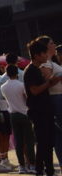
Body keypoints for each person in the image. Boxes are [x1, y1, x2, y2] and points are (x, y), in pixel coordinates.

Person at [25, 37, 61, 176]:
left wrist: (48, 81)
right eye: (44, 54)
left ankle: (46, 170)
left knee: (47, 143)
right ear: (36, 55)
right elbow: (34, 90)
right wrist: (51, 82)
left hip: (44, 110)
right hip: (38, 112)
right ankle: (42, 170)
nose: (46, 56)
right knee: (43, 143)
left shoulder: (36, 69)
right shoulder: (31, 70)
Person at [1, 64, 35, 174]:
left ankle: (22, 166)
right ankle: (32, 164)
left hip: (12, 114)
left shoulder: (3, 87)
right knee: (29, 141)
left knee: (18, 142)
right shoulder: (21, 85)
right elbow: (27, 98)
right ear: (17, 73)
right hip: (24, 113)